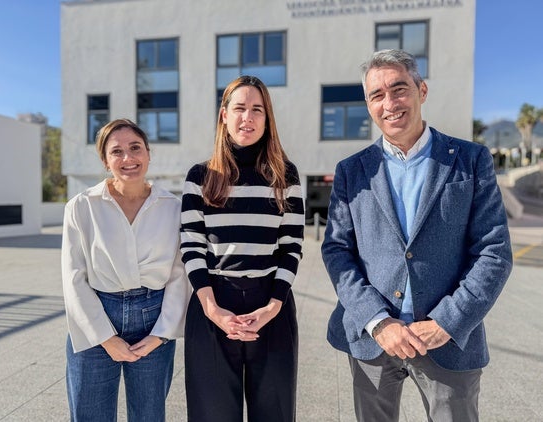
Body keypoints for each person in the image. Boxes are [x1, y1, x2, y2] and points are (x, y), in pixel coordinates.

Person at [321, 50, 513, 421]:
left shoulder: (471, 160)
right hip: (374, 341)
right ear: (368, 105)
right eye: (377, 95)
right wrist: (378, 321)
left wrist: (447, 321)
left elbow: (494, 251)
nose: (389, 103)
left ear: (421, 90)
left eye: (399, 89)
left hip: (448, 341)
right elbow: (337, 251)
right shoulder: (352, 171)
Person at [180, 75, 305, 422]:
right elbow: (191, 246)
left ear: (267, 119)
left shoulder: (286, 177)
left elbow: (291, 246)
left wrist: (272, 306)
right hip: (212, 304)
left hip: (272, 306)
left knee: (274, 414)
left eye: (256, 110)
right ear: (224, 115)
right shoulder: (201, 177)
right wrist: (213, 309)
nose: (247, 118)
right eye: (239, 108)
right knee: (213, 415)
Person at [61, 118, 191, 421]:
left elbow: (178, 274)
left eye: (135, 148)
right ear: (105, 161)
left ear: (148, 153)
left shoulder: (173, 207)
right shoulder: (81, 206)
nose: (128, 158)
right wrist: (104, 337)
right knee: (89, 414)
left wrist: (161, 334)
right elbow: (73, 277)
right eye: (116, 151)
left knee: (148, 415)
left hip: (154, 320)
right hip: (95, 318)